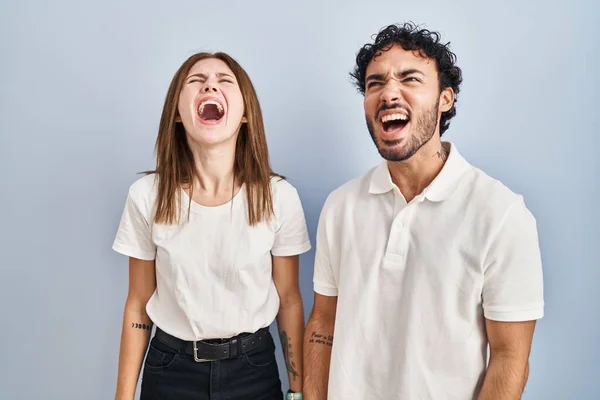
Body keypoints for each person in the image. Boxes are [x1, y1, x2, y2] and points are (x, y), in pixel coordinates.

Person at [303, 22, 544, 399]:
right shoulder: (341, 206)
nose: (388, 93)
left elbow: (511, 356)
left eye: (409, 79)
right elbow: (323, 322)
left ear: (445, 98)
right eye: (375, 83)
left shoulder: (500, 214)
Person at [112, 51, 310, 400]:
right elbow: (138, 304)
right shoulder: (147, 196)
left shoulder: (278, 197)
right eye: (196, 81)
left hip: (254, 371)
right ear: (177, 112)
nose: (210, 86)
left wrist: (298, 391)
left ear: (245, 113)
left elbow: (290, 300)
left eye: (224, 81)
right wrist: (122, 397)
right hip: (170, 371)